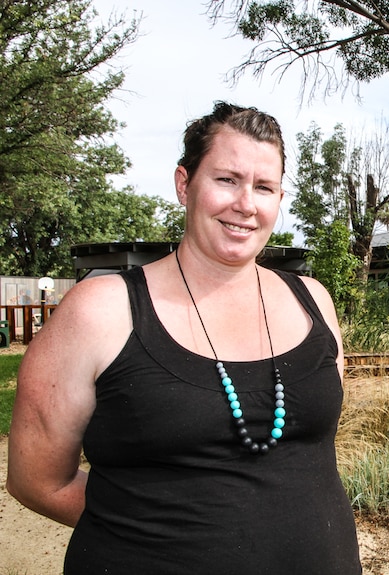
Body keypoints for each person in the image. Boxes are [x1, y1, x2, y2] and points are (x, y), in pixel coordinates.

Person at [6, 102, 362, 574]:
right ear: (184, 185)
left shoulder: (313, 300)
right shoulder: (100, 310)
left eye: (264, 187)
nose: (246, 204)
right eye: (226, 180)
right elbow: (37, 480)